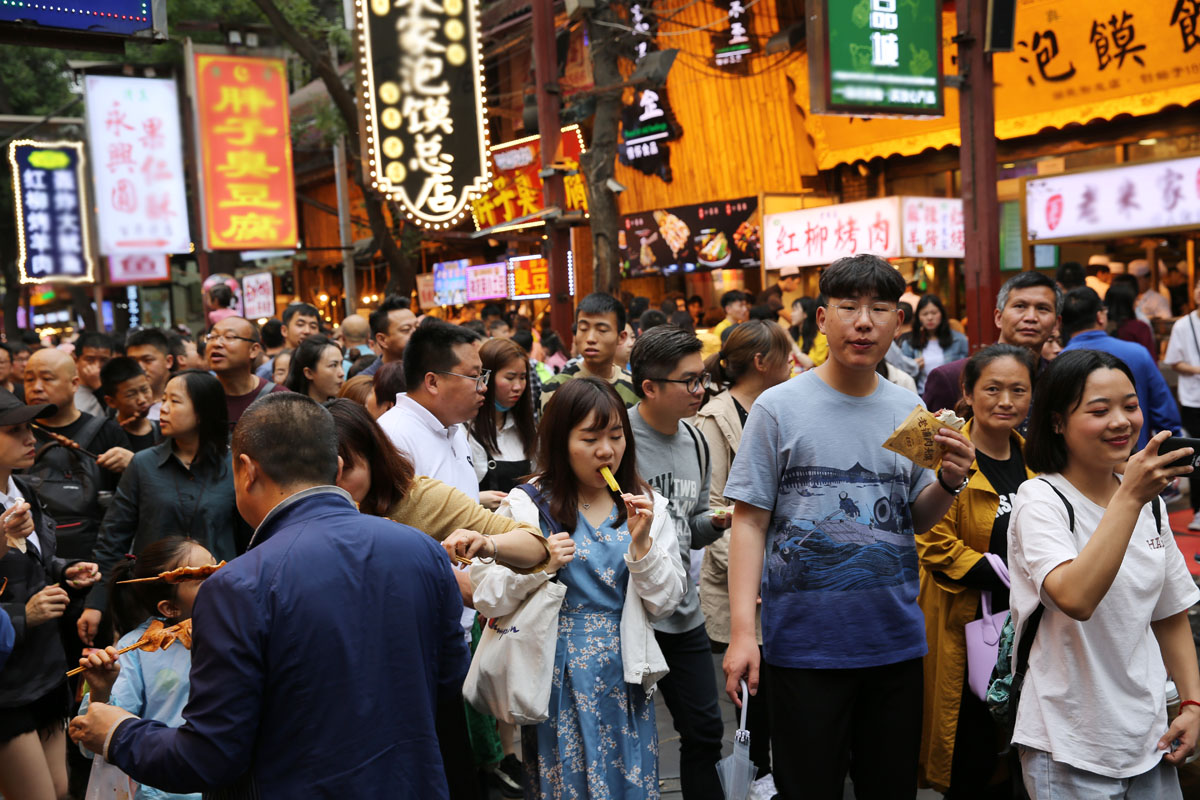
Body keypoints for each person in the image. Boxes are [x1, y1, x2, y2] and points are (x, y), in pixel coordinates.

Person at [68, 393, 472, 798]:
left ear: (246, 471)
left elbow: (209, 756)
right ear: (336, 468)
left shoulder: (239, 586)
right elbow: (448, 679)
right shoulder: (421, 551)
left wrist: (119, 732)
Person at [721, 254, 975, 800]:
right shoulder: (778, 407)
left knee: (890, 788)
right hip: (802, 647)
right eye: (848, 308)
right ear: (821, 318)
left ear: (899, 322)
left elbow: (914, 517)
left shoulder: (910, 408)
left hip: (895, 644)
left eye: (879, 309)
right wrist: (745, 633)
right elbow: (748, 522)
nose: (864, 322)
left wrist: (950, 484)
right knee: (808, 787)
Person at [328, 397, 552, 799]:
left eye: (344, 469)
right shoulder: (303, 515)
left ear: (372, 457)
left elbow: (536, 547)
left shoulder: (417, 499)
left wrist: (483, 545)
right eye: (322, 474)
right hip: (344, 686)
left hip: (421, 677)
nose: (334, 486)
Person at [481, 377, 685, 799]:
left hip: (626, 670)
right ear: (560, 441)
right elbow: (488, 592)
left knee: (627, 778)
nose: (606, 451)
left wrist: (642, 545)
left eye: (615, 436)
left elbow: (665, 602)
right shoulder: (528, 503)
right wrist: (542, 563)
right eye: (590, 438)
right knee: (566, 782)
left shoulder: (647, 505)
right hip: (555, 671)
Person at [1008, 350, 1200, 797]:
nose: (1121, 421)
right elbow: (1075, 598)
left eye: (1130, 406)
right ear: (1057, 422)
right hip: (1069, 741)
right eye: (1099, 410)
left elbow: (1169, 613)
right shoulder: (1040, 500)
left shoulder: (1149, 502)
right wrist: (1129, 497)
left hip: (1150, 735)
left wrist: (1191, 704)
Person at [915, 344, 1037, 797]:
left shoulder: (1037, 460)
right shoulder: (946, 457)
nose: (1006, 401)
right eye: (993, 388)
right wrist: (1010, 573)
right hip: (969, 626)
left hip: (1029, 627)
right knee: (971, 749)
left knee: (1023, 748)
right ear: (967, 392)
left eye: (1018, 390)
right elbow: (933, 542)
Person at [625, 325, 731, 800]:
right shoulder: (616, 437)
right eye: (688, 381)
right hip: (630, 612)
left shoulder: (696, 439)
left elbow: (692, 525)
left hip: (683, 613)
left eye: (702, 378)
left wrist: (722, 520)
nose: (700, 390)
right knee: (629, 736)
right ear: (649, 386)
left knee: (706, 732)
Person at [695, 320, 793, 788]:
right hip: (742, 574)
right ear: (760, 362)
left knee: (781, 684)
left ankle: (776, 773)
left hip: (786, 571)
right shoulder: (714, 419)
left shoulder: (782, 407)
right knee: (753, 688)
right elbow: (715, 506)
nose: (793, 362)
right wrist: (746, 576)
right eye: (785, 353)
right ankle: (757, 776)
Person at [78, 371, 240, 649]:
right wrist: (96, 603)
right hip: (152, 610)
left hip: (220, 604)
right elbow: (113, 538)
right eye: (163, 399)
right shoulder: (143, 465)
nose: (162, 408)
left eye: (174, 401)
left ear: (202, 411)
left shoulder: (234, 467)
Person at [0, 390, 101, 800]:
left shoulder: (20, 486)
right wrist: (24, 614)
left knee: (60, 790)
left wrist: (65, 570)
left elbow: (40, 558)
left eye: (30, 428)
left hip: (46, 668)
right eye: (15, 430)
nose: (31, 439)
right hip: (7, 687)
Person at [75, 537, 216, 800]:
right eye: (203, 578)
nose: (220, 579)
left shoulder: (237, 634)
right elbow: (93, 740)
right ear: (170, 608)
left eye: (217, 567)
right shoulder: (136, 649)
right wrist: (100, 693)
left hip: (224, 782)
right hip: (164, 788)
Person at [24, 349, 133, 557]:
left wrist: (134, 465)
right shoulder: (15, 433)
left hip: (97, 553)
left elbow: (132, 503)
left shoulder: (107, 432)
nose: (36, 388)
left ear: (74, 384)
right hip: (32, 558)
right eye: (29, 380)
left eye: (47, 379)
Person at [923, 271, 1062, 415]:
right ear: (998, 317)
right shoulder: (951, 378)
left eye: (1042, 308)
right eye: (1020, 306)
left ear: (1056, 324)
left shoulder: (1061, 379)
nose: (1031, 317)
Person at [1060, 287, 1180, 451]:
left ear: (1060, 322)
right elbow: (1164, 412)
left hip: (1080, 466)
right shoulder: (1138, 353)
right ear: (1100, 316)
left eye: (1130, 407)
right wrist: (1175, 454)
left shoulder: (1058, 363)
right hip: (1135, 460)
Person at [378, 319, 484, 499]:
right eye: (474, 377)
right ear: (432, 382)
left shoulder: (455, 428)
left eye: (482, 376)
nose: (482, 387)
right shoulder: (393, 437)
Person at [469, 339, 536, 511]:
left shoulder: (528, 429)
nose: (518, 387)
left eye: (522, 378)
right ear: (486, 378)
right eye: (510, 377)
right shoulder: (465, 430)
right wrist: (476, 498)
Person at [540, 293, 638, 410]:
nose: (590, 338)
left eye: (602, 330)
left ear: (620, 337)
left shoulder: (634, 388)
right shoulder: (555, 388)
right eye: (583, 329)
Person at [205, 317, 288, 431]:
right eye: (212, 337)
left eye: (229, 337)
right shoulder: (199, 395)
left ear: (253, 350)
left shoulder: (278, 398)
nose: (216, 343)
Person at [1166, 280, 1200, 531]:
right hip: (1193, 400)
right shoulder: (1182, 325)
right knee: (1196, 455)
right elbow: (1174, 361)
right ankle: (1198, 510)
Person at [902, 295, 969, 395]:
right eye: (925, 314)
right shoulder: (909, 344)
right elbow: (903, 378)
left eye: (934, 313)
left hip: (951, 397)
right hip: (922, 398)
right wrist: (913, 367)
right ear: (918, 317)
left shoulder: (959, 340)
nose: (930, 317)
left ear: (941, 314)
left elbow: (966, 373)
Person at [100, 357, 159, 453]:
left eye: (145, 390)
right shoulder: (106, 438)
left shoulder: (164, 432)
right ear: (111, 402)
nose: (142, 400)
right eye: (131, 395)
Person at [254, 303, 320, 380]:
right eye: (300, 324)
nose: (307, 331)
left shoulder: (320, 365)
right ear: (284, 330)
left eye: (313, 326)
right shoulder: (268, 371)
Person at [125, 330, 175, 422]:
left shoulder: (186, 398)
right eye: (133, 362)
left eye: (147, 360)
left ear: (168, 361)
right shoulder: (123, 403)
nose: (140, 368)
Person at [363, 295, 417, 377]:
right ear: (382, 340)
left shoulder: (430, 369)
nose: (416, 333)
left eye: (417, 327)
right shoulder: (368, 381)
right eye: (406, 329)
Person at [283, 335, 344, 404]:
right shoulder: (290, 412)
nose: (342, 373)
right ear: (309, 373)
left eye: (341, 364)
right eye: (333, 365)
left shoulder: (342, 409)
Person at [1105, 282, 1156, 358]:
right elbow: (1151, 359)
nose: (1137, 304)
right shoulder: (1139, 328)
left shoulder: (1100, 327)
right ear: (1130, 303)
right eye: (1135, 300)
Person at [73, 332, 114, 418]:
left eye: (103, 360)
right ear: (76, 360)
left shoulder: (116, 387)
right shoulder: (69, 391)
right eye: (90, 359)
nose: (97, 366)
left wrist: (98, 387)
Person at [789, 296, 828, 367]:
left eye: (794, 310)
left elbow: (810, 364)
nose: (791, 314)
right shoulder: (796, 334)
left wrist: (791, 342)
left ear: (805, 314)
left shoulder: (821, 337)